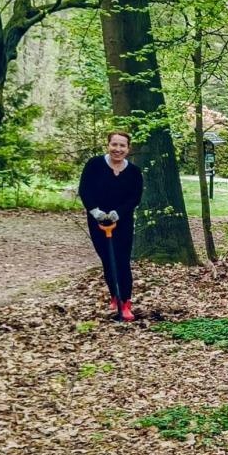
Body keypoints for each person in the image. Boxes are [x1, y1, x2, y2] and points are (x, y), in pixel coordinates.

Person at [78, 131, 145, 321]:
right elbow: (85, 190)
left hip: (122, 221)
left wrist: (119, 213)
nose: (118, 149)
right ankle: (114, 295)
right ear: (108, 145)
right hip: (98, 220)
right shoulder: (94, 165)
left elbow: (135, 197)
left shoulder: (133, 172)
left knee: (122, 261)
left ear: (128, 149)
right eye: (114, 145)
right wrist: (95, 211)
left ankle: (125, 303)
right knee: (107, 259)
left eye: (122, 146)